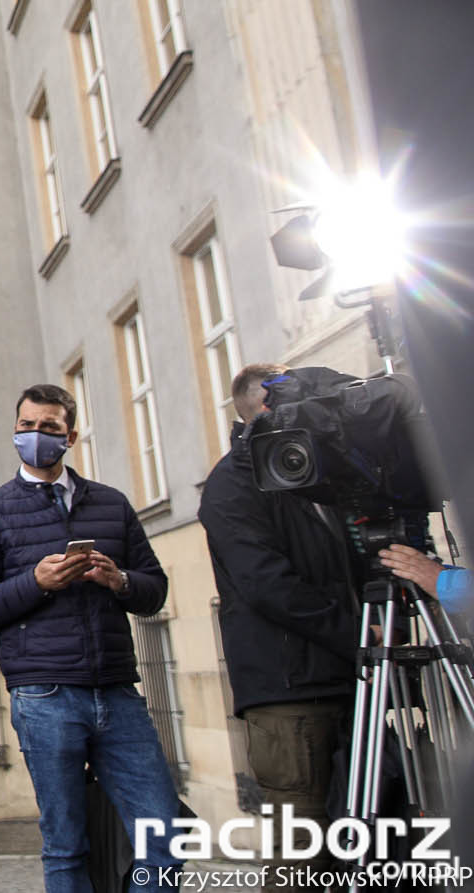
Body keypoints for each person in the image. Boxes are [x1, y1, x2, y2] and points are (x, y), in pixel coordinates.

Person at [0, 384, 181, 893]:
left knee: (164, 834)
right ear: (15, 431)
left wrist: (118, 579)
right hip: (44, 695)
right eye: (26, 426)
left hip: (117, 692)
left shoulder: (111, 504)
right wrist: (36, 582)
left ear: (70, 436)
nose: (36, 436)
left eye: (49, 427)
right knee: (66, 846)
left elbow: (155, 590)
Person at [198, 363, 358, 883]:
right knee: (303, 852)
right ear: (270, 407)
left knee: (367, 842)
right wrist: (361, 634)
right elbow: (270, 587)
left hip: (345, 677)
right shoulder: (230, 485)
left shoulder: (316, 469)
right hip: (289, 694)